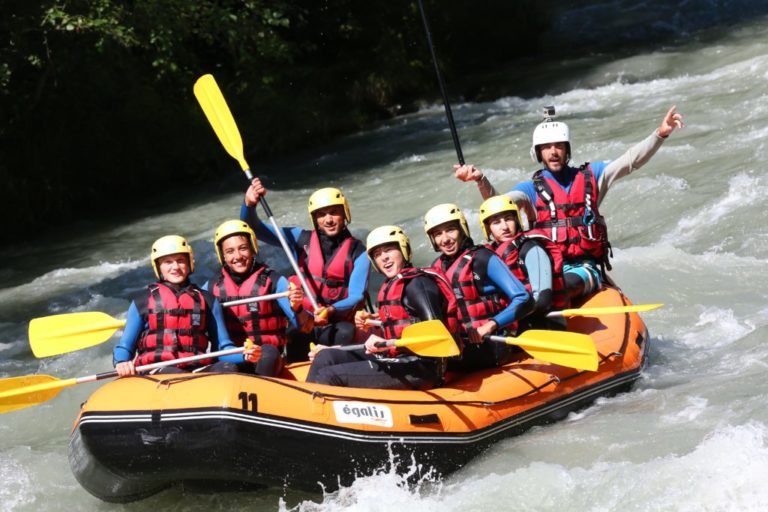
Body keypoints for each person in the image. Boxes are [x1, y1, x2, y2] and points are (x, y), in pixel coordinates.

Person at [454, 105, 684, 298]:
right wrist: (480, 179)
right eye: (547, 147)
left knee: (559, 287)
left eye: (559, 146)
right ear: (538, 153)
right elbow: (499, 207)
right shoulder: (530, 190)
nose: (553, 152)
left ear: (567, 150)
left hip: (585, 268)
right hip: (542, 269)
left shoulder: (592, 177)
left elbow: (630, 161)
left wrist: (660, 134)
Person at [306, 225, 457, 389]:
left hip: (422, 368)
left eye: (389, 250)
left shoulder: (418, 284)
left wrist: (387, 343)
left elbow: (436, 337)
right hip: (396, 357)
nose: (384, 258)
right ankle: (303, 408)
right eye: (377, 254)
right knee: (326, 356)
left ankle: (314, 412)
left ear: (403, 249)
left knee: (330, 376)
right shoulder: (392, 285)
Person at [241, 179, 370, 362]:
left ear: (345, 213)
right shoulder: (300, 239)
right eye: (321, 214)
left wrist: (331, 310)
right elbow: (253, 228)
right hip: (305, 320)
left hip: (338, 323)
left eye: (334, 212)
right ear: (314, 219)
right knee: (296, 334)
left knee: (345, 332)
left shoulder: (359, 252)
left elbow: (356, 295)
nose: (329, 219)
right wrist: (249, 205)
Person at [113, 235, 259, 377]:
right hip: (156, 370)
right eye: (168, 262)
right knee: (177, 375)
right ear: (158, 267)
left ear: (189, 263)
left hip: (195, 369)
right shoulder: (142, 301)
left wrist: (244, 355)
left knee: (229, 368)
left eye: (180, 261)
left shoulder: (207, 300)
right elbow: (125, 346)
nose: (175, 267)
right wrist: (121, 361)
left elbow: (223, 348)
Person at [424, 203, 533, 371]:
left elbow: (524, 299)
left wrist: (488, 326)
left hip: (494, 344)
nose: (445, 239)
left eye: (451, 230)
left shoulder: (482, 258)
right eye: (438, 234)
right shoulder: (437, 266)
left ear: (462, 229)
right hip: (461, 348)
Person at [204, 220, 313, 376]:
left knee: (267, 352)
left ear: (253, 248)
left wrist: (298, 307)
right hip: (232, 360)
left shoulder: (275, 282)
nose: (238, 256)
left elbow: (306, 327)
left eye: (243, 248)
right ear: (223, 255)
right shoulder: (209, 288)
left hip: (267, 358)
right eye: (230, 251)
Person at [478, 195, 568, 330]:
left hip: (543, 324)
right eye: (496, 222)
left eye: (508, 219)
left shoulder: (531, 248)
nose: (504, 227)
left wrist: (499, 321)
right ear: (488, 228)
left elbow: (542, 300)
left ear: (517, 220)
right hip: (513, 325)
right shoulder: (490, 255)